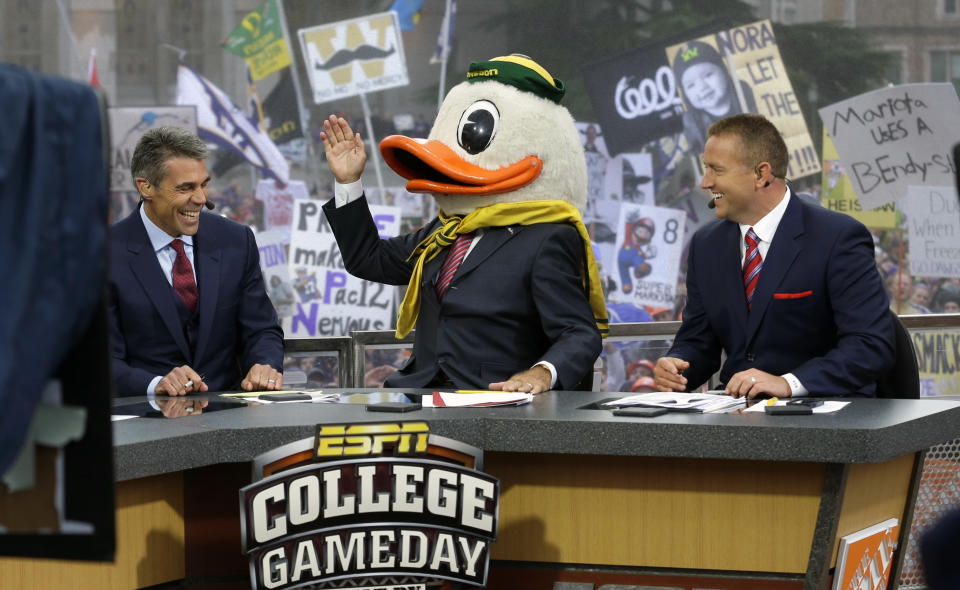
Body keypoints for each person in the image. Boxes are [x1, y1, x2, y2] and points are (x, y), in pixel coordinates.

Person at [319, 107, 601, 392]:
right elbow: (368, 259)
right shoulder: (443, 232)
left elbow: (579, 333)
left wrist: (540, 374)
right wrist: (348, 182)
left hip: (493, 399)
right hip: (420, 393)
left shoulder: (546, 238)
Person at [654, 114, 894, 398]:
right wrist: (678, 365)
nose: (705, 183)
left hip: (825, 415)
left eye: (716, 170)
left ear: (761, 174)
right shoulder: (707, 244)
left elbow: (871, 345)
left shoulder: (838, 237)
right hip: (737, 414)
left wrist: (789, 383)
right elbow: (698, 341)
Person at [108, 126, 284, 396]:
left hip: (230, 420)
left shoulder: (236, 241)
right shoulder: (105, 254)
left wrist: (265, 364)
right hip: (145, 425)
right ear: (146, 187)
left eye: (204, 184)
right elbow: (103, 361)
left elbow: (262, 330)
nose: (201, 199)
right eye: (186, 188)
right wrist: (156, 385)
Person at [672, 40, 757, 160]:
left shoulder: (752, 98)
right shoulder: (691, 125)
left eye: (708, 75)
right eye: (691, 85)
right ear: (685, 94)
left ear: (724, 72)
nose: (702, 87)